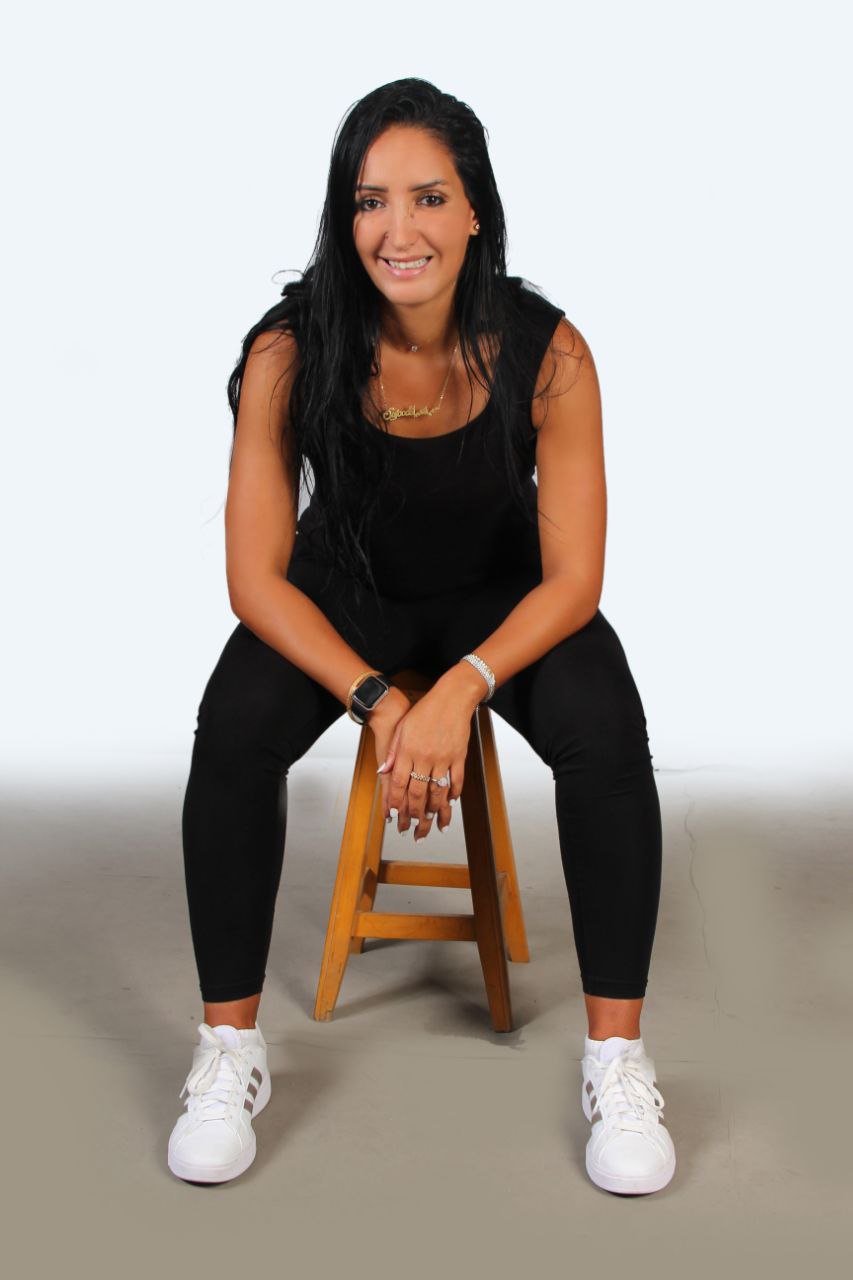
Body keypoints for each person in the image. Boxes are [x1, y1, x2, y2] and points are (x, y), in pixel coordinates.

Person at [167, 77, 675, 1196]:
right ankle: (228, 1048)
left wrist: (461, 687)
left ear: (475, 210)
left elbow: (573, 580)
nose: (398, 230)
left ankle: (618, 1060)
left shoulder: (550, 353)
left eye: (428, 197)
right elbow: (255, 582)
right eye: (370, 201)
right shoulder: (287, 351)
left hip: (500, 597)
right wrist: (380, 697)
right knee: (234, 726)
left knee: (604, 724)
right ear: (343, 218)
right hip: (345, 589)